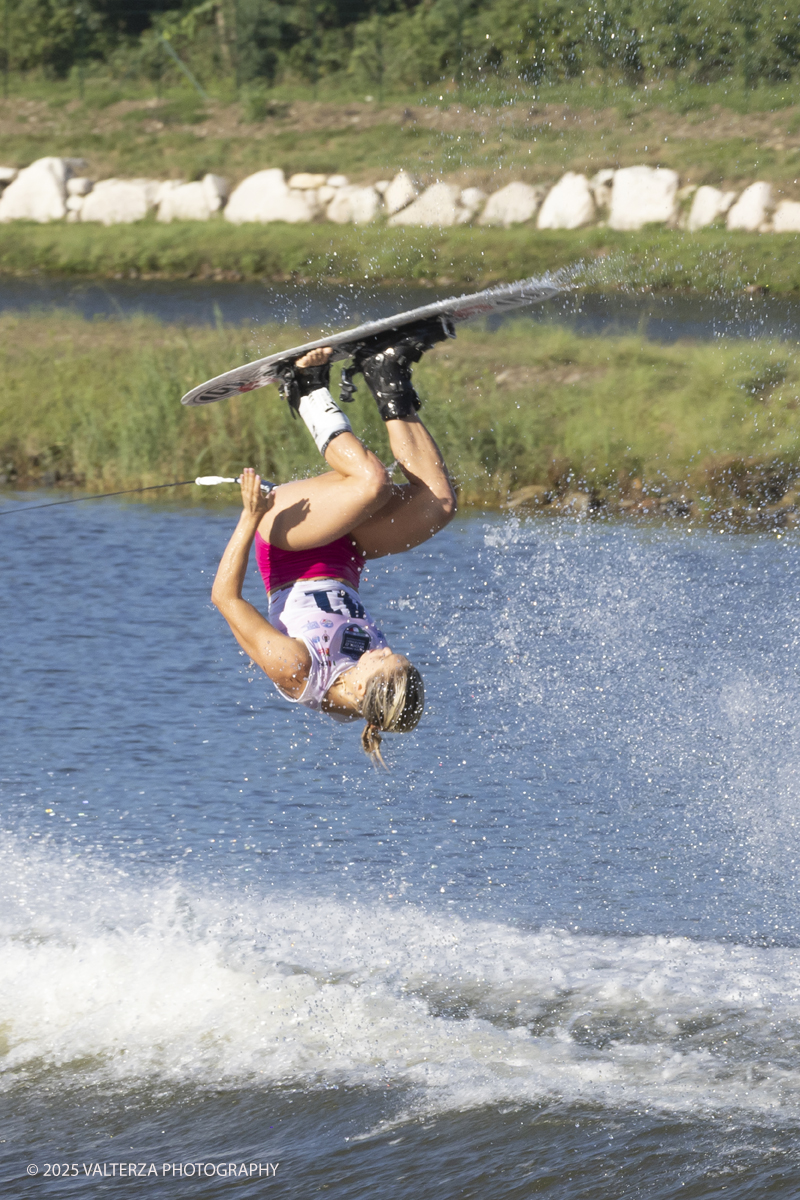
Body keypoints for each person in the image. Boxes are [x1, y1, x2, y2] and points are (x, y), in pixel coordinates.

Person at [211, 320, 457, 764]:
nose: (383, 648)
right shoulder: (369, 694)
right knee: (437, 505)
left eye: (384, 658)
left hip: (287, 538)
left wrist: (249, 517)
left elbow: (225, 599)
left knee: (372, 483)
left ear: (361, 688)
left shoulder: (299, 671)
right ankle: (386, 373)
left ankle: (304, 389)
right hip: (348, 548)